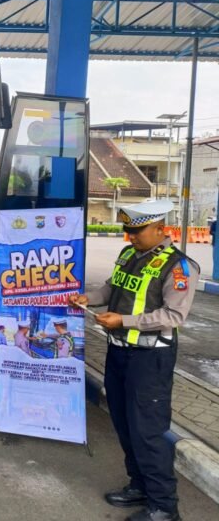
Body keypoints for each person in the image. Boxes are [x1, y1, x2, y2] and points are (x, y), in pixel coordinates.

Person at [69, 199, 198, 521]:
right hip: (119, 351)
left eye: (137, 231)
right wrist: (90, 298)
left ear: (160, 230)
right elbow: (113, 288)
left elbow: (174, 315)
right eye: (128, 230)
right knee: (125, 425)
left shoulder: (179, 266)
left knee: (148, 432)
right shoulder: (128, 255)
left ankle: (164, 508)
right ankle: (139, 486)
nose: (131, 237)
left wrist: (123, 321)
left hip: (150, 358)